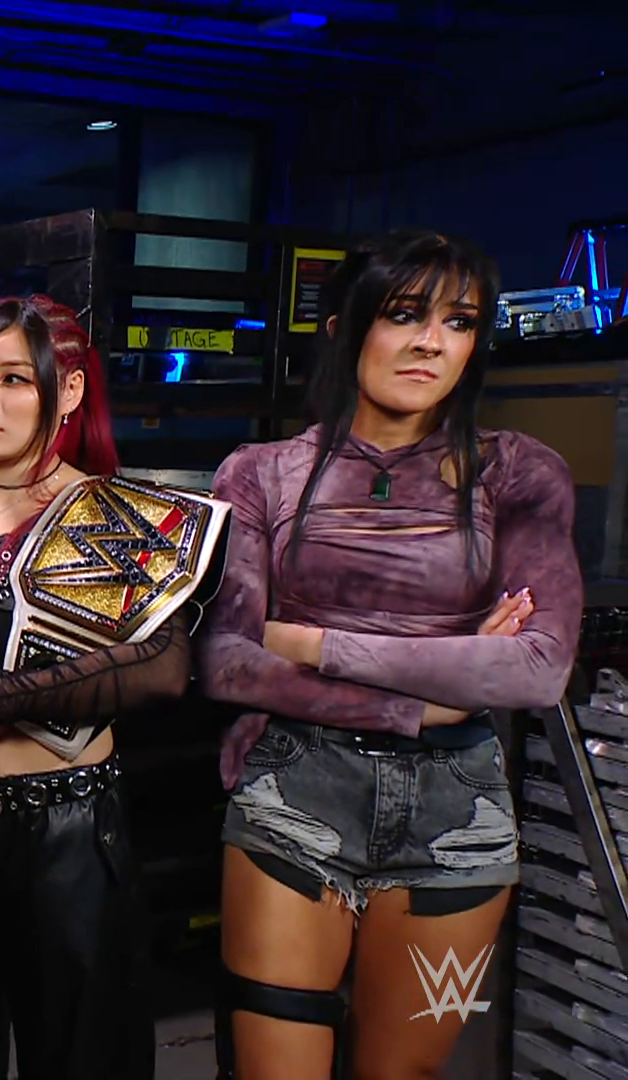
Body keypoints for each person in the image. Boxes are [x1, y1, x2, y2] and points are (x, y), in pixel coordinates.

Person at [197, 229, 581, 1079]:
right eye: (404, 314)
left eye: (459, 322)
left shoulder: (518, 473)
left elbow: (538, 666)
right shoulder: (261, 473)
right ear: (343, 326)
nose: (430, 342)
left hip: (459, 812)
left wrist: (312, 642)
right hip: (294, 788)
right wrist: (435, 688)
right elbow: (227, 661)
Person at [0, 294, 218, 1079]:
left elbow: (162, 667)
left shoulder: (111, 514)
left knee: (81, 1056)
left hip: (70, 829)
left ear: (67, 391)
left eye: (14, 380)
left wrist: (9, 700)